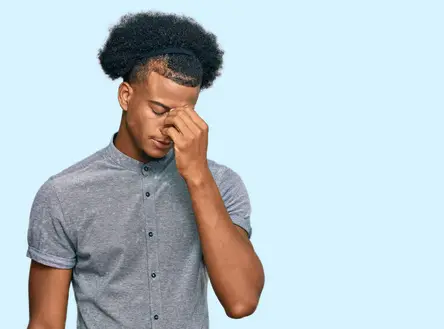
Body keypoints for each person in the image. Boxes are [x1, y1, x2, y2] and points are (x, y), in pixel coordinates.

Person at [26, 11, 265, 329]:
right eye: (158, 110)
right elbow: (44, 323)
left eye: (185, 113)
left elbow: (242, 301)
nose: (170, 126)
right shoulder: (63, 194)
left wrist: (197, 176)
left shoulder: (221, 183)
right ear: (126, 96)